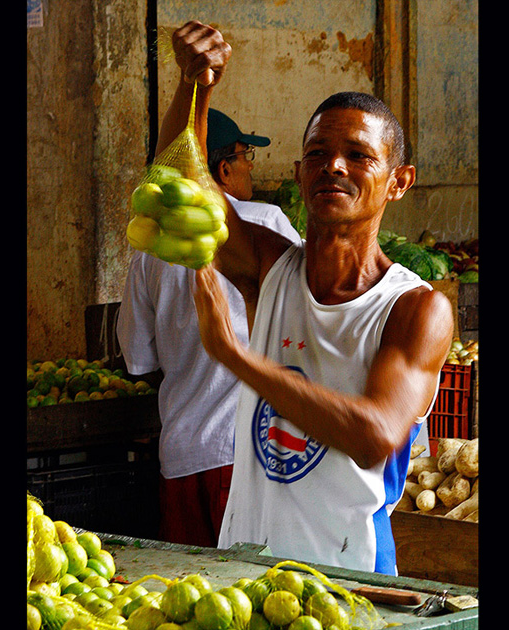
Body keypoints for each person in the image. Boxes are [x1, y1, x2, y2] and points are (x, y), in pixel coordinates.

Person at [164, 21, 453, 576]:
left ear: (400, 181)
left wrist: (235, 356)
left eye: (358, 155)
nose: (334, 166)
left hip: (349, 584)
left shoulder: (415, 309)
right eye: (317, 153)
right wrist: (194, 86)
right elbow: (181, 189)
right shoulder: (270, 266)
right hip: (242, 576)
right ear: (298, 172)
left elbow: (373, 436)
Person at [117, 108, 301, 547]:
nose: (249, 170)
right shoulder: (267, 224)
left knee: (188, 596)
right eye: (245, 157)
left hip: (181, 454)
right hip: (248, 451)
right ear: (223, 168)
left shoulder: (149, 249)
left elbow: (136, 356)